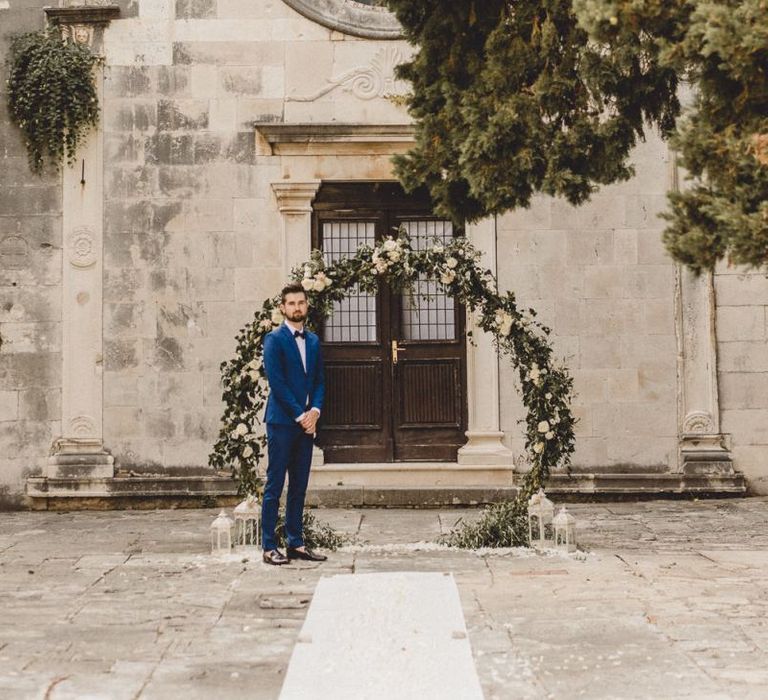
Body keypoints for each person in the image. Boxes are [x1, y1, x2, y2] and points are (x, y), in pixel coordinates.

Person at [261, 283, 327, 565]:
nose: (297, 307)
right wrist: (301, 416)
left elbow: (320, 381)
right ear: (282, 308)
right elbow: (278, 383)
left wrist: (315, 410)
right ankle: (268, 546)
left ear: (307, 306)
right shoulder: (274, 340)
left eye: (301, 302)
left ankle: (296, 543)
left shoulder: (312, 341)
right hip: (282, 422)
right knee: (275, 484)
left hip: (307, 425)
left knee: (299, 485)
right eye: (291, 303)